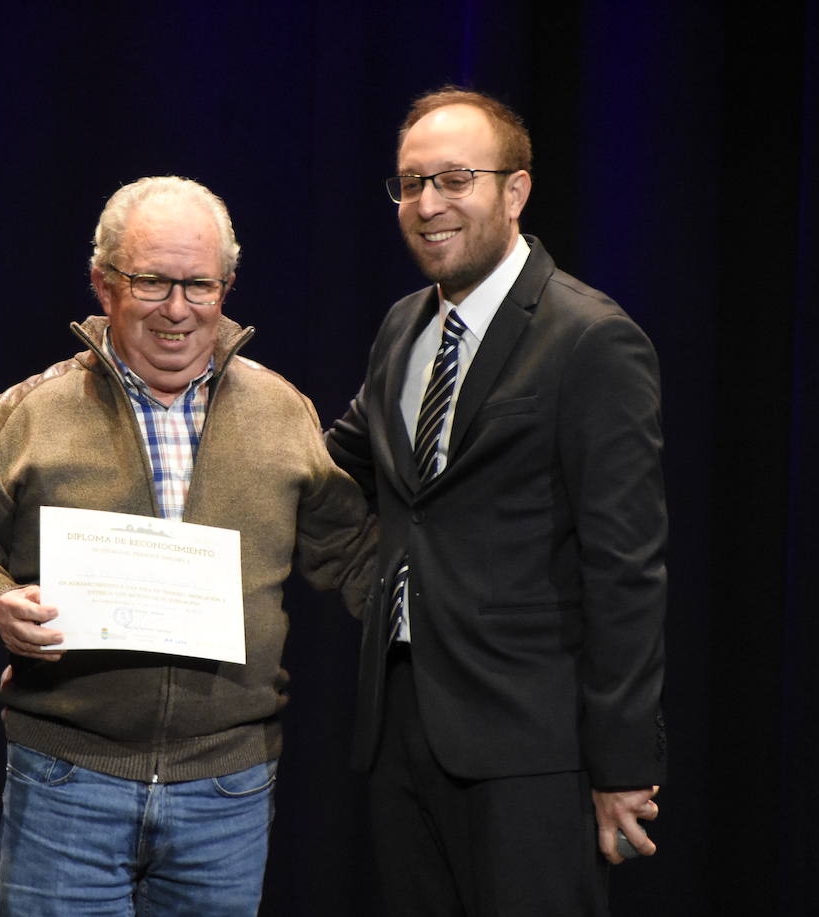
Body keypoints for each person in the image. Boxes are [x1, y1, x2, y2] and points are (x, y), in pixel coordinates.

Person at [0, 175, 376, 916]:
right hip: (67, 777)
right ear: (104, 283)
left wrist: (470, 629)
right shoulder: (32, 412)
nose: (179, 309)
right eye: (154, 281)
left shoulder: (282, 413)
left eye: (200, 284)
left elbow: (354, 553)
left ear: (227, 285)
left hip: (227, 789)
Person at [326, 87, 667, 916]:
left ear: (514, 191)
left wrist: (623, 765)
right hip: (402, 727)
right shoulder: (404, 326)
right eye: (410, 184)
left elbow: (627, 567)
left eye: (454, 179)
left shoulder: (590, 338)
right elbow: (332, 467)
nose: (427, 205)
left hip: (530, 744)